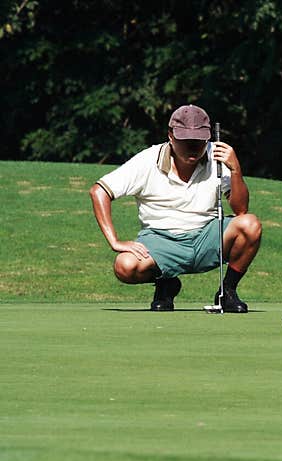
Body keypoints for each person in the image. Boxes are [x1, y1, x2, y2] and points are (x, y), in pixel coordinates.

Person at [89, 104, 262, 312]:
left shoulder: (217, 157)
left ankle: (227, 292)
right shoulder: (148, 160)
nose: (192, 146)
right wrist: (114, 241)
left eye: (198, 140)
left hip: (207, 237)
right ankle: (166, 283)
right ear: (170, 135)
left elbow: (241, 209)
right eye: (185, 140)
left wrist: (235, 170)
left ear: (207, 138)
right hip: (160, 242)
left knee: (250, 224)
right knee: (124, 266)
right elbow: (99, 191)